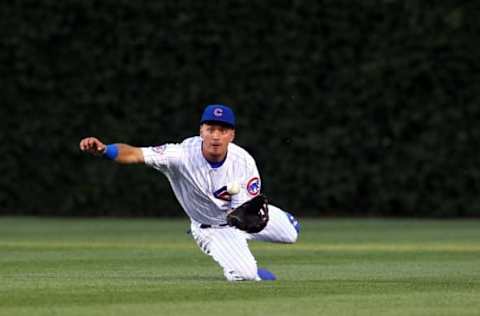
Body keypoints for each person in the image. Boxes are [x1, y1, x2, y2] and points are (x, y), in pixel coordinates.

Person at [79, 104, 300, 281]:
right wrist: (105, 149)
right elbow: (135, 154)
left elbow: (245, 208)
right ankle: (247, 268)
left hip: (238, 216)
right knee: (245, 274)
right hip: (212, 228)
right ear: (201, 131)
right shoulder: (180, 155)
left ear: (231, 135)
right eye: (210, 129)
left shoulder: (243, 162)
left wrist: (243, 216)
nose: (215, 136)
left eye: (222, 130)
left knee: (292, 233)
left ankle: (245, 241)